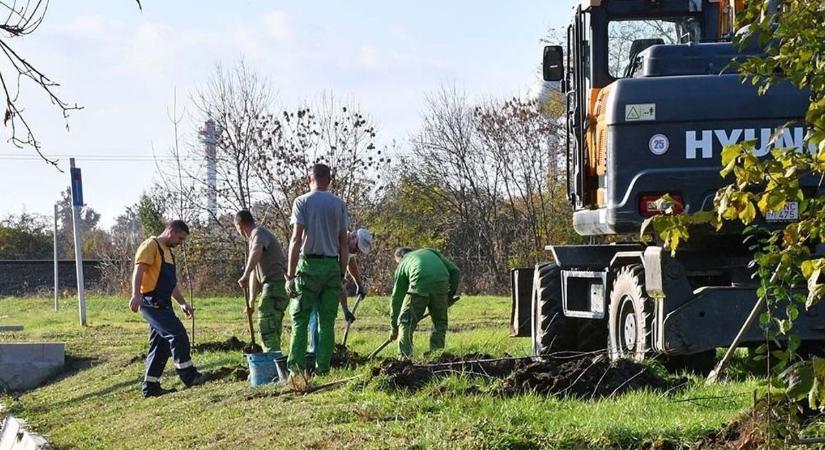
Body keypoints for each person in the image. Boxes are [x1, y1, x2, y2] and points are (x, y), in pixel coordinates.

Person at [128, 220, 210, 397]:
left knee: (161, 344)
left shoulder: (168, 253)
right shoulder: (151, 245)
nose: (180, 243)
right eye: (179, 238)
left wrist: (182, 303)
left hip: (164, 302)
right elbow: (139, 270)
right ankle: (189, 376)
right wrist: (135, 294)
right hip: (151, 302)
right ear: (171, 232)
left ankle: (150, 387)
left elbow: (169, 284)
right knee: (177, 334)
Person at [285, 163, 349, 377]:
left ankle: (296, 369)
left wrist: (290, 275)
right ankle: (323, 369)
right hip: (332, 266)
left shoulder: (302, 201)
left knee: (300, 319)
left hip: (309, 266)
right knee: (327, 321)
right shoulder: (339, 203)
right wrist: (341, 274)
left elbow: (295, 239)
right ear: (329, 180)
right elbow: (344, 242)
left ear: (308, 179)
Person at [307, 228, 373, 354]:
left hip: (328, 279)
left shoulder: (350, 245)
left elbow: (351, 261)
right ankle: (314, 352)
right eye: (356, 248)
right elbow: (339, 283)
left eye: (358, 250)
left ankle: (324, 352)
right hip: (315, 276)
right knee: (315, 317)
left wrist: (358, 283)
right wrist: (345, 309)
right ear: (353, 237)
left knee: (326, 318)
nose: (356, 251)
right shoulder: (336, 244)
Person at [388, 247, 461, 358]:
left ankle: (404, 359)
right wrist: (449, 295)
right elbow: (455, 271)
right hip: (441, 285)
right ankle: (437, 356)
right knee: (440, 323)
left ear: (400, 257)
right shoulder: (430, 251)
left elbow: (397, 297)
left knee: (405, 323)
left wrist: (394, 327)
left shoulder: (403, 263)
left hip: (419, 286)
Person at [234, 210, 289, 354]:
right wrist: (251, 301)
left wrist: (244, 274)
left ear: (239, 225)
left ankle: (271, 364)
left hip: (275, 286)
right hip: (271, 286)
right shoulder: (254, 238)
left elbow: (256, 251)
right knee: (273, 327)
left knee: (267, 326)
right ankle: (277, 361)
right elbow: (254, 273)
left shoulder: (259, 233)